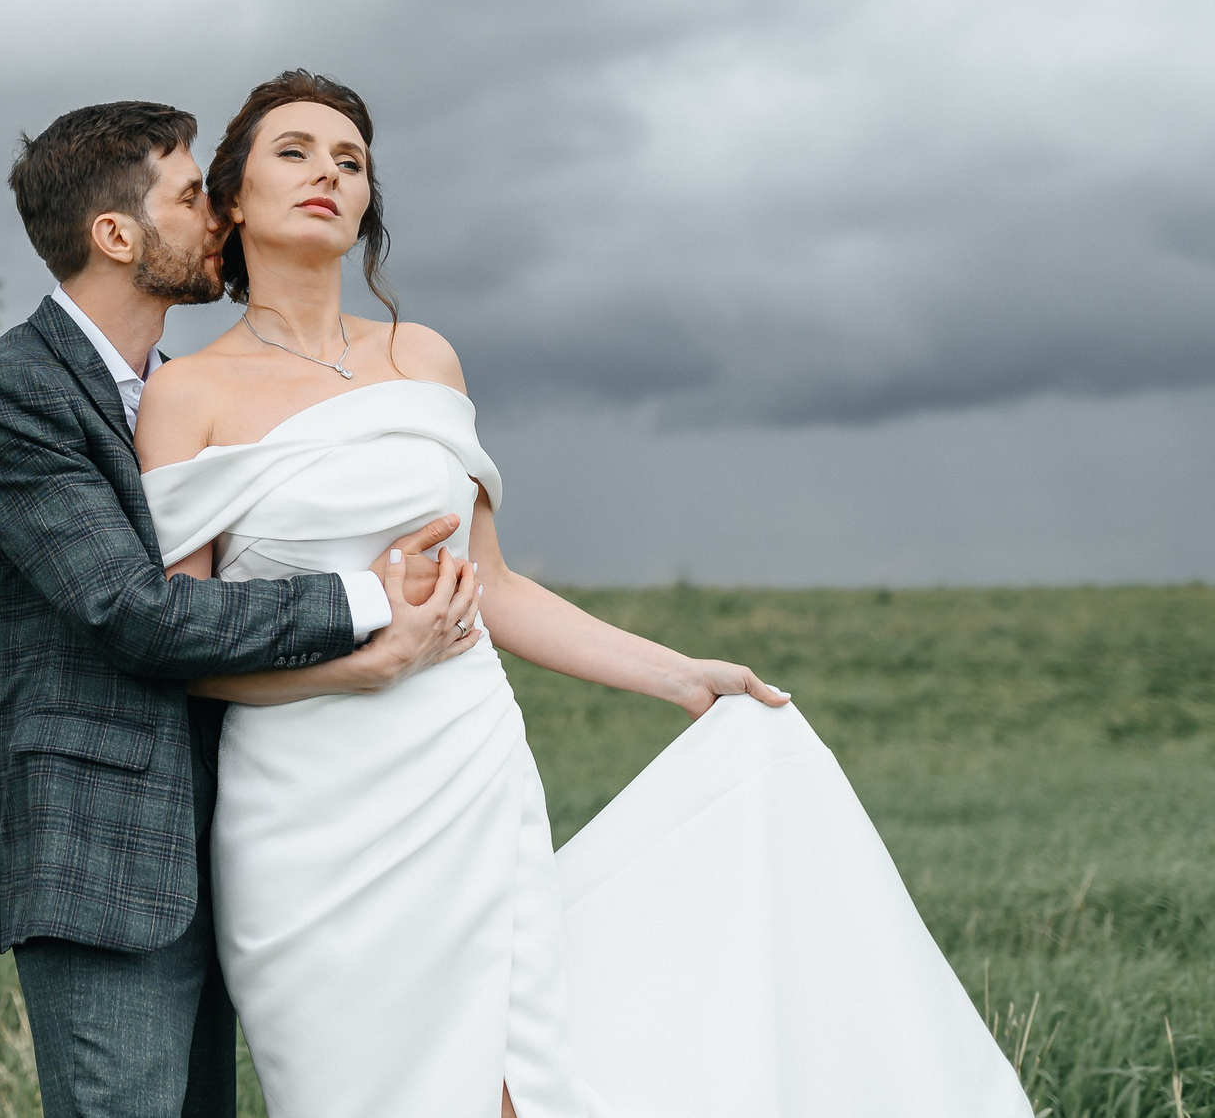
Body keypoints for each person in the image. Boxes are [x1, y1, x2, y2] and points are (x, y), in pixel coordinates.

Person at [134, 69, 1035, 1118]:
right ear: (232, 197)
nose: (328, 172)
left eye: (351, 160)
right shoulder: (185, 391)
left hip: (462, 765)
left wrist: (678, 673)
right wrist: (368, 657)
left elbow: (498, 584)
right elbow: (177, 645)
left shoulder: (422, 358)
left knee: (517, 1086)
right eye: (295, 150)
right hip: (301, 808)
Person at [0, 100, 484, 1118]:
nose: (216, 216)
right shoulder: (14, 390)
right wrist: (367, 598)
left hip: (243, 828)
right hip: (106, 848)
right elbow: (133, 612)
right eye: (192, 196)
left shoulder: (167, 390)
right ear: (116, 234)